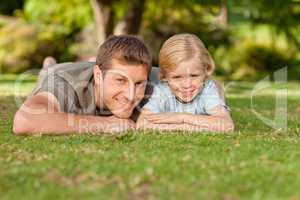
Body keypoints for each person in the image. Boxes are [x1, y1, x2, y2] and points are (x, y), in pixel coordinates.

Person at [13, 35, 152, 135]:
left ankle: (91, 61)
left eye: (139, 83)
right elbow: (25, 121)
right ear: (98, 76)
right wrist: (107, 124)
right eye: (120, 80)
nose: (131, 95)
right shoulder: (65, 85)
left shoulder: (152, 79)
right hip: (60, 73)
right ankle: (49, 65)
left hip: (91, 68)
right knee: (49, 73)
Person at [137, 33, 234, 132]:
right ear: (165, 76)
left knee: (217, 88)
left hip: (214, 92)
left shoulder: (207, 89)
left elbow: (227, 125)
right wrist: (185, 127)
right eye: (177, 77)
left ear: (206, 70)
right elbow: (142, 123)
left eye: (194, 76)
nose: (187, 85)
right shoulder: (162, 91)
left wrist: (182, 118)